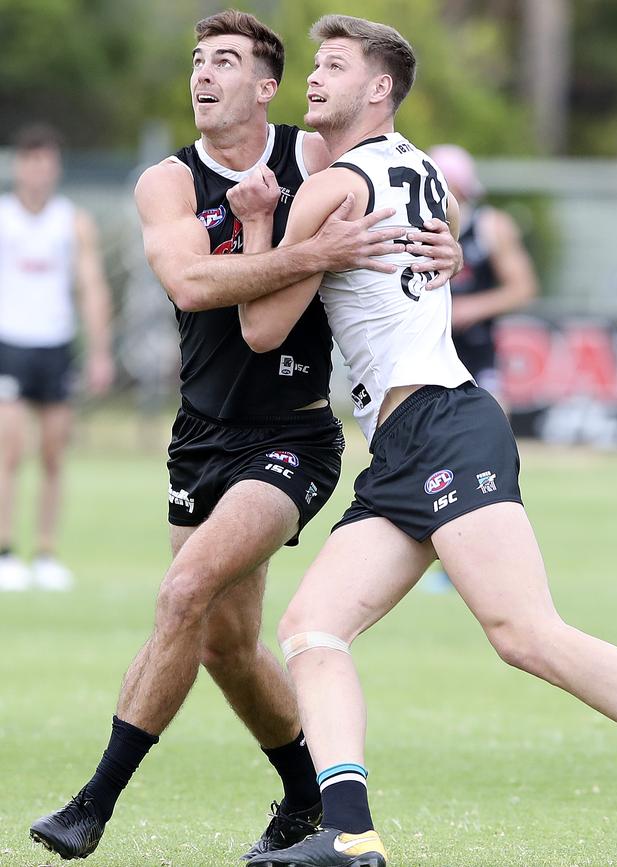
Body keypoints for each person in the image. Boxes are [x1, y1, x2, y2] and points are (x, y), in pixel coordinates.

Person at [29, 11, 461, 862]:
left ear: (266, 87)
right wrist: (305, 251)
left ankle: (93, 805)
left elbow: (402, 214)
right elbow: (191, 284)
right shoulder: (168, 181)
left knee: (183, 591)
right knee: (227, 642)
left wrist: (444, 246)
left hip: (293, 437)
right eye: (196, 60)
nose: (202, 74)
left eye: (224, 61)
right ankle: (306, 793)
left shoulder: (319, 157)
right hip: (200, 435)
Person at [226, 15, 617, 867]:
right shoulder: (420, 166)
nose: (314, 78)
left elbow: (264, 327)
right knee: (312, 629)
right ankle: (350, 832)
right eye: (316, 64)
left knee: (526, 633)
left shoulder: (332, 187)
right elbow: (439, 245)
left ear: (378, 89)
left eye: (334, 67)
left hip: (442, 425)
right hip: (407, 443)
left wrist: (259, 226)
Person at [0, 123, 114, 592]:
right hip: (9, 344)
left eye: (46, 163)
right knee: (9, 451)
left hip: (55, 346)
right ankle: (5, 552)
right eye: (31, 163)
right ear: (19, 166)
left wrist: (100, 350)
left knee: (52, 452)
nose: (38, 173)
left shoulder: (73, 222)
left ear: (56, 169)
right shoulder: (3, 217)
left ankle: (45, 553)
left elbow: (90, 287)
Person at [428, 143, 538, 408]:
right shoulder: (413, 224)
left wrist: (469, 309)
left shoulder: (490, 225)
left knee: (492, 417)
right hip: (427, 348)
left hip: (476, 348)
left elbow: (523, 288)